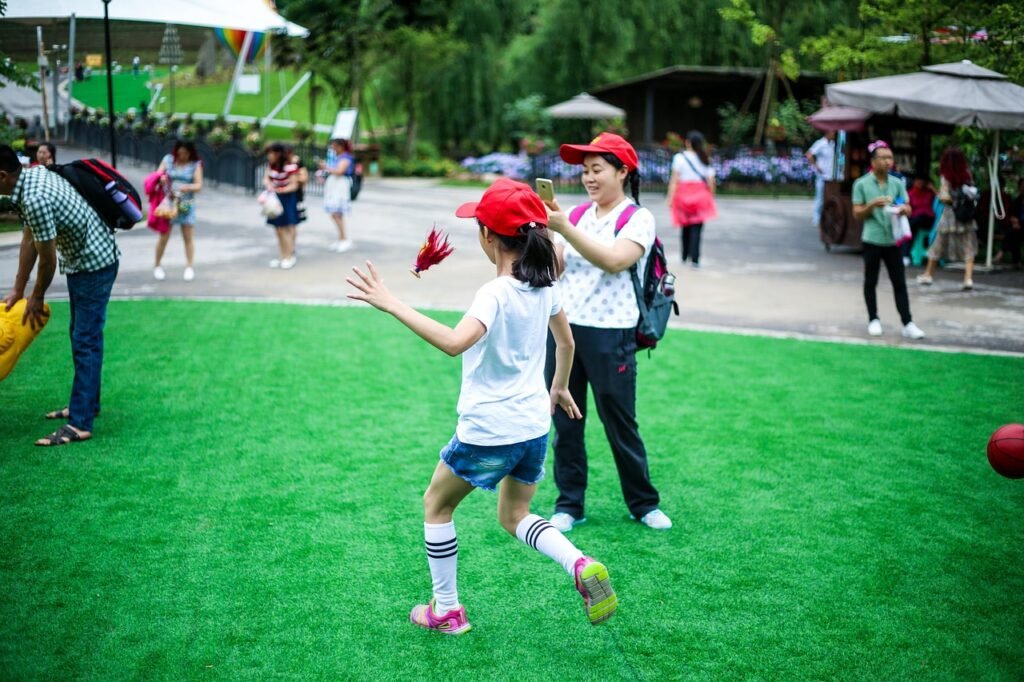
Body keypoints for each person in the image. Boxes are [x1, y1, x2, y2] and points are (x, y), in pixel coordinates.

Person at [345, 178, 617, 634]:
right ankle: (579, 562)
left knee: (436, 505)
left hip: (489, 430)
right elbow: (566, 342)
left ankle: (447, 610)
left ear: (487, 236)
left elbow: (455, 342)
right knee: (515, 515)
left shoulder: (494, 293)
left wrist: (392, 303)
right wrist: (559, 387)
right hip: (532, 428)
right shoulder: (546, 286)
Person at [542, 132, 672, 532]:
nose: (588, 178)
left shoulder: (637, 218)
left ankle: (643, 503)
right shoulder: (577, 215)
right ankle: (569, 504)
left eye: (597, 169)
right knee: (566, 423)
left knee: (619, 422)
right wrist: (550, 233)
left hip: (612, 333)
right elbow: (556, 269)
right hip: (564, 332)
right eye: (585, 171)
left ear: (623, 172)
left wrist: (565, 228)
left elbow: (615, 261)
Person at [0, 144, 120, 446]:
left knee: (85, 340)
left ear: (2, 176)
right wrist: (19, 289)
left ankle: (80, 422)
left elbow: (47, 259)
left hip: (93, 263)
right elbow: (29, 238)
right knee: (81, 335)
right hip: (85, 260)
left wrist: (36, 296)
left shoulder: (35, 198)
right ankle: (87, 404)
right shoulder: (31, 179)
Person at [851, 140, 925, 339]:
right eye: (883, 158)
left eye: (890, 158)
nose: (887, 161)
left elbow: (907, 206)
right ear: (873, 162)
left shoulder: (897, 183)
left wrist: (904, 209)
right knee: (871, 280)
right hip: (872, 238)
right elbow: (857, 213)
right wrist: (871, 205)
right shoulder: (861, 184)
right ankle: (873, 319)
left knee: (899, 282)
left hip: (893, 240)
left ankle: (907, 323)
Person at [916, 147, 978, 290]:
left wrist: (939, 194)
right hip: (965, 215)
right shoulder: (967, 175)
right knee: (968, 245)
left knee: (938, 243)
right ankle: (968, 279)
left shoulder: (946, 176)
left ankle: (928, 274)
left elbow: (944, 197)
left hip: (950, 214)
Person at [153, 140, 203, 282]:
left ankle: (189, 267)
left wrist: (187, 187)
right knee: (164, 236)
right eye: (180, 153)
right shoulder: (168, 160)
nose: (183, 156)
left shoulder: (195, 164)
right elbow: (158, 175)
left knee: (188, 237)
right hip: (169, 203)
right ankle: (157, 265)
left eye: (186, 153)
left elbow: (199, 185)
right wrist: (162, 178)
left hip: (186, 204)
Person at [666, 130, 717, 268]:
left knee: (685, 226)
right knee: (697, 228)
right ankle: (695, 259)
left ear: (688, 143)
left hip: (683, 195)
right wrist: (711, 197)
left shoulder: (679, 158)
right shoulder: (705, 158)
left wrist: (670, 198)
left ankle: (684, 255)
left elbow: (674, 180)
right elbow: (711, 181)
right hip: (701, 195)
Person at [264, 143, 301, 269]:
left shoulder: (290, 166)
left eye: (271, 153)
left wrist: (280, 190)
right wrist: (269, 185)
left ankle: (289, 256)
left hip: (286, 199)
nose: (269, 156)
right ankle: (282, 255)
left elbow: (294, 185)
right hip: (275, 198)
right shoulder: (271, 165)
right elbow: (266, 178)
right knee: (278, 229)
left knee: (284, 228)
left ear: (278, 154)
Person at [319, 138, 354, 252]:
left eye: (334, 146)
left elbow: (339, 171)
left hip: (340, 188)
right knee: (335, 214)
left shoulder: (345, 158)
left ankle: (344, 239)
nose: (333, 148)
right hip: (335, 187)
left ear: (340, 146)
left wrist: (326, 167)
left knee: (337, 213)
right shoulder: (339, 157)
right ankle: (341, 238)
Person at [806, 130, 838, 227]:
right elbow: (809, 154)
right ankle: (816, 218)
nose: (834, 134)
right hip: (822, 176)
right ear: (828, 132)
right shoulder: (820, 143)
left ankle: (826, 218)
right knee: (819, 197)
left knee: (830, 197)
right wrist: (816, 166)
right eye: (833, 132)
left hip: (831, 176)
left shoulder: (833, 144)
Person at [905, 176, 936, 265]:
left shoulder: (929, 193)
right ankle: (906, 254)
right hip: (915, 219)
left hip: (927, 219)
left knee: (910, 226)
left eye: (922, 181)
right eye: (918, 181)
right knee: (910, 229)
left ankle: (906, 254)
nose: (920, 183)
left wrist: (932, 188)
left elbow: (940, 197)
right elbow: (907, 206)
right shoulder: (910, 193)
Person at [996, 178, 1023, 269]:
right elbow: (1012, 214)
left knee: (1013, 232)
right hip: (1017, 227)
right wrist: (1014, 220)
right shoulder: (1018, 200)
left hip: (1020, 226)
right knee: (1015, 233)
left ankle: (1001, 253)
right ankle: (1016, 262)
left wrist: (1019, 223)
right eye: (1022, 186)